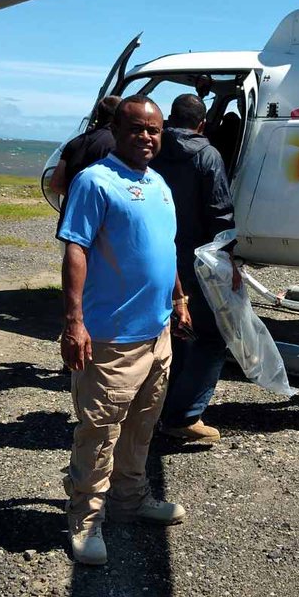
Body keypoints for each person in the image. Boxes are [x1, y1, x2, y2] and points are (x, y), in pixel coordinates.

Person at [57, 95, 192, 566]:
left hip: (157, 335)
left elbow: (166, 246)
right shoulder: (95, 181)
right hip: (112, 337)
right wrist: (73, 323)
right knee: (100, 432)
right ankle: (86, 517)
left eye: (154, 129)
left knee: (142, 427)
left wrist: (179, 299)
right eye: (136, 129)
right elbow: (75, 249)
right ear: (115, 129)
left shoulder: (158, 183)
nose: (147, 137)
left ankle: (131, 501)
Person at [150, 93, 240, 445]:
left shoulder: (151, 149)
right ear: (201, 124)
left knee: (168, 331)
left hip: (158, 255)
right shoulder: (206, 154)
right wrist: (228, 259)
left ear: (170, 118)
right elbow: (220, 212)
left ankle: (156, 406)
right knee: (212, 336)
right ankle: (184, 415)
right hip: (196, 257)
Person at [47, 95, 121, 203]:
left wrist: (77, 196)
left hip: (70, 212)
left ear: (97, 114)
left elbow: (55, 184)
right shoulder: (119, 144)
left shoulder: (74, 143)